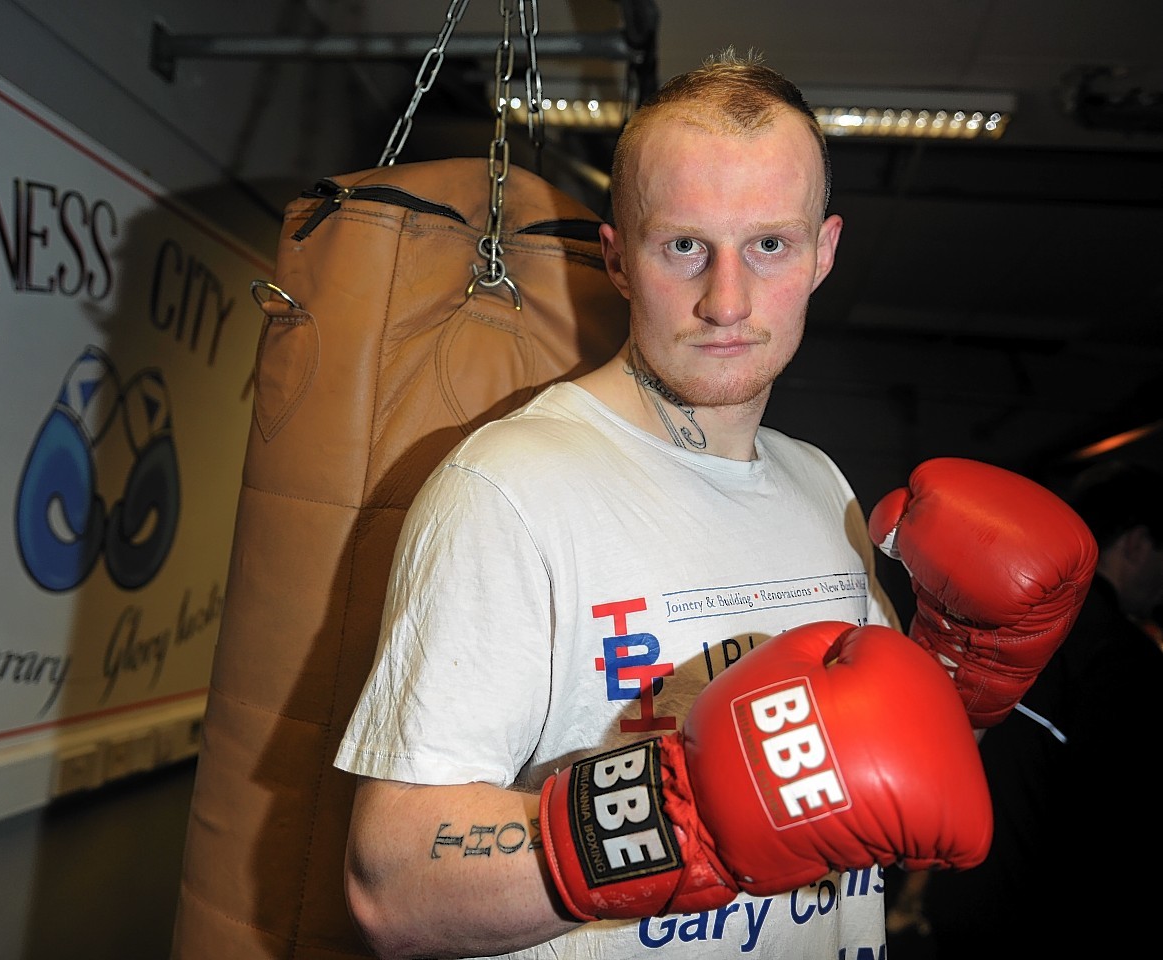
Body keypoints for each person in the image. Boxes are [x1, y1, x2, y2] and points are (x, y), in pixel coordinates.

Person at [333, 47, 1096, 960]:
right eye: (684, 246)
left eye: (768, 244)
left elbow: (883, 767)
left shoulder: (822, 485)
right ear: (619, 259)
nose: (726, 300)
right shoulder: (509, 490)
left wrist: (961, 680)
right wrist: (684, 822)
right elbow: (389, 886)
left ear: (823, 253)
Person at [887, 459, 1163, 958]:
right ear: (1139, 545)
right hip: (1031, 926)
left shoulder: (980, 612)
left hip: (942, 910)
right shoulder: (1123, 658)